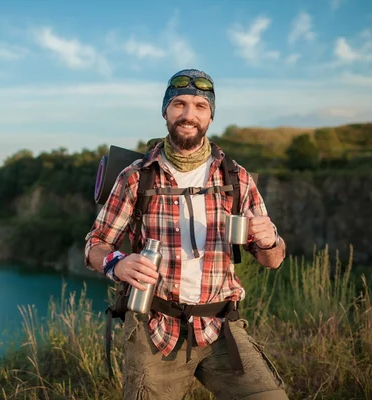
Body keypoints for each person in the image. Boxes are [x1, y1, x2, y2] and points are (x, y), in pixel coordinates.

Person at [84, 69, 289, 400]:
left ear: (210, 116)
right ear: (165, 111)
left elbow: (272, 261)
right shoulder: (136, 178)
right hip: (154, 329)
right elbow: (96, 245)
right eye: (179, 104)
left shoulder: (237, 179)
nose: (189, 114)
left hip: (221, 327)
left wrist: (270, 241)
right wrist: (117, 264)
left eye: (200, 106)